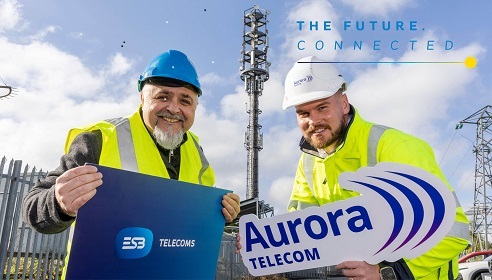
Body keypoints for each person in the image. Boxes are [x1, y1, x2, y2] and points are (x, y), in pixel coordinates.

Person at [22, 50, 241, 276]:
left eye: (185, 100)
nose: (174, 108)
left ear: (195, 107)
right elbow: (33, 209)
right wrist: (58, 203)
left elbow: (192, 224)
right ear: (142, 99)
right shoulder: (100, 139)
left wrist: (223, 216)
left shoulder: (198, 154)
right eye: (162, 96)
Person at [280, 56, 469, 279]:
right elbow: (301, 229)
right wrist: (260, 244)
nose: (313, 121)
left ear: (343, 104)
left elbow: (453, 231)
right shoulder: (309, 162)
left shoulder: (395, 147)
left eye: (322, 107)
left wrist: (386, 272)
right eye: (304, 113)